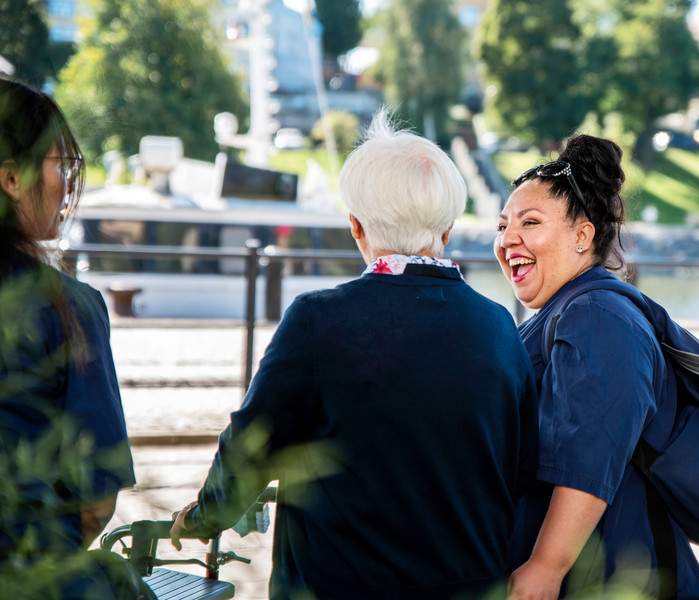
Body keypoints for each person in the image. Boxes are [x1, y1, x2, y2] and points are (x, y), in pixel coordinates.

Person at [170, 109, 539, 600]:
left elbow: (251, 447)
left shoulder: (317, 320)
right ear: (447, 229)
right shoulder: (499, 325)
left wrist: (203, 516)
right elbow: (522, 470)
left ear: (356, 228)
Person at [496, 134, 699, 599]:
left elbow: (590, 459)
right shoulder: (569, 310)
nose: (507, 239)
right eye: (503, 225)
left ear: (583, 235)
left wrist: (545, 568)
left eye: (529, 222)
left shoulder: (596, 316)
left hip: (615, 581)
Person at [0, 78, 138, 598]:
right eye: (61, 164)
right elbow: (95, 498)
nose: (67, 184)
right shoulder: (68, 307)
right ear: (12, 178)